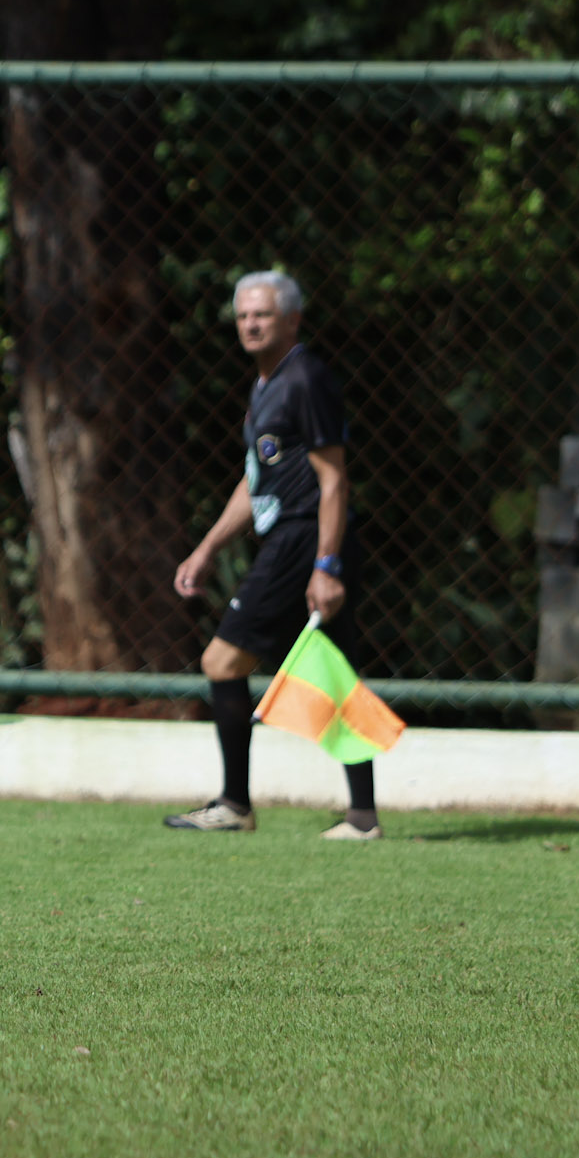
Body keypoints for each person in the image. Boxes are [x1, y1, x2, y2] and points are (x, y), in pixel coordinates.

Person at [168, 270, 379, 840]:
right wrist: (208, 548)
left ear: (292, 320)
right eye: (242, 316)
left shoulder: (306, 379)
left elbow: (333, 480)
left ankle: (234, 804)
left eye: (262, 314)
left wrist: (326, 565)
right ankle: (363, 818)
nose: (250, 324)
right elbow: (256, 480)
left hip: (304, 540)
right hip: (294, 537)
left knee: (221, 662)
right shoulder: (266, 384)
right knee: (334, 673)